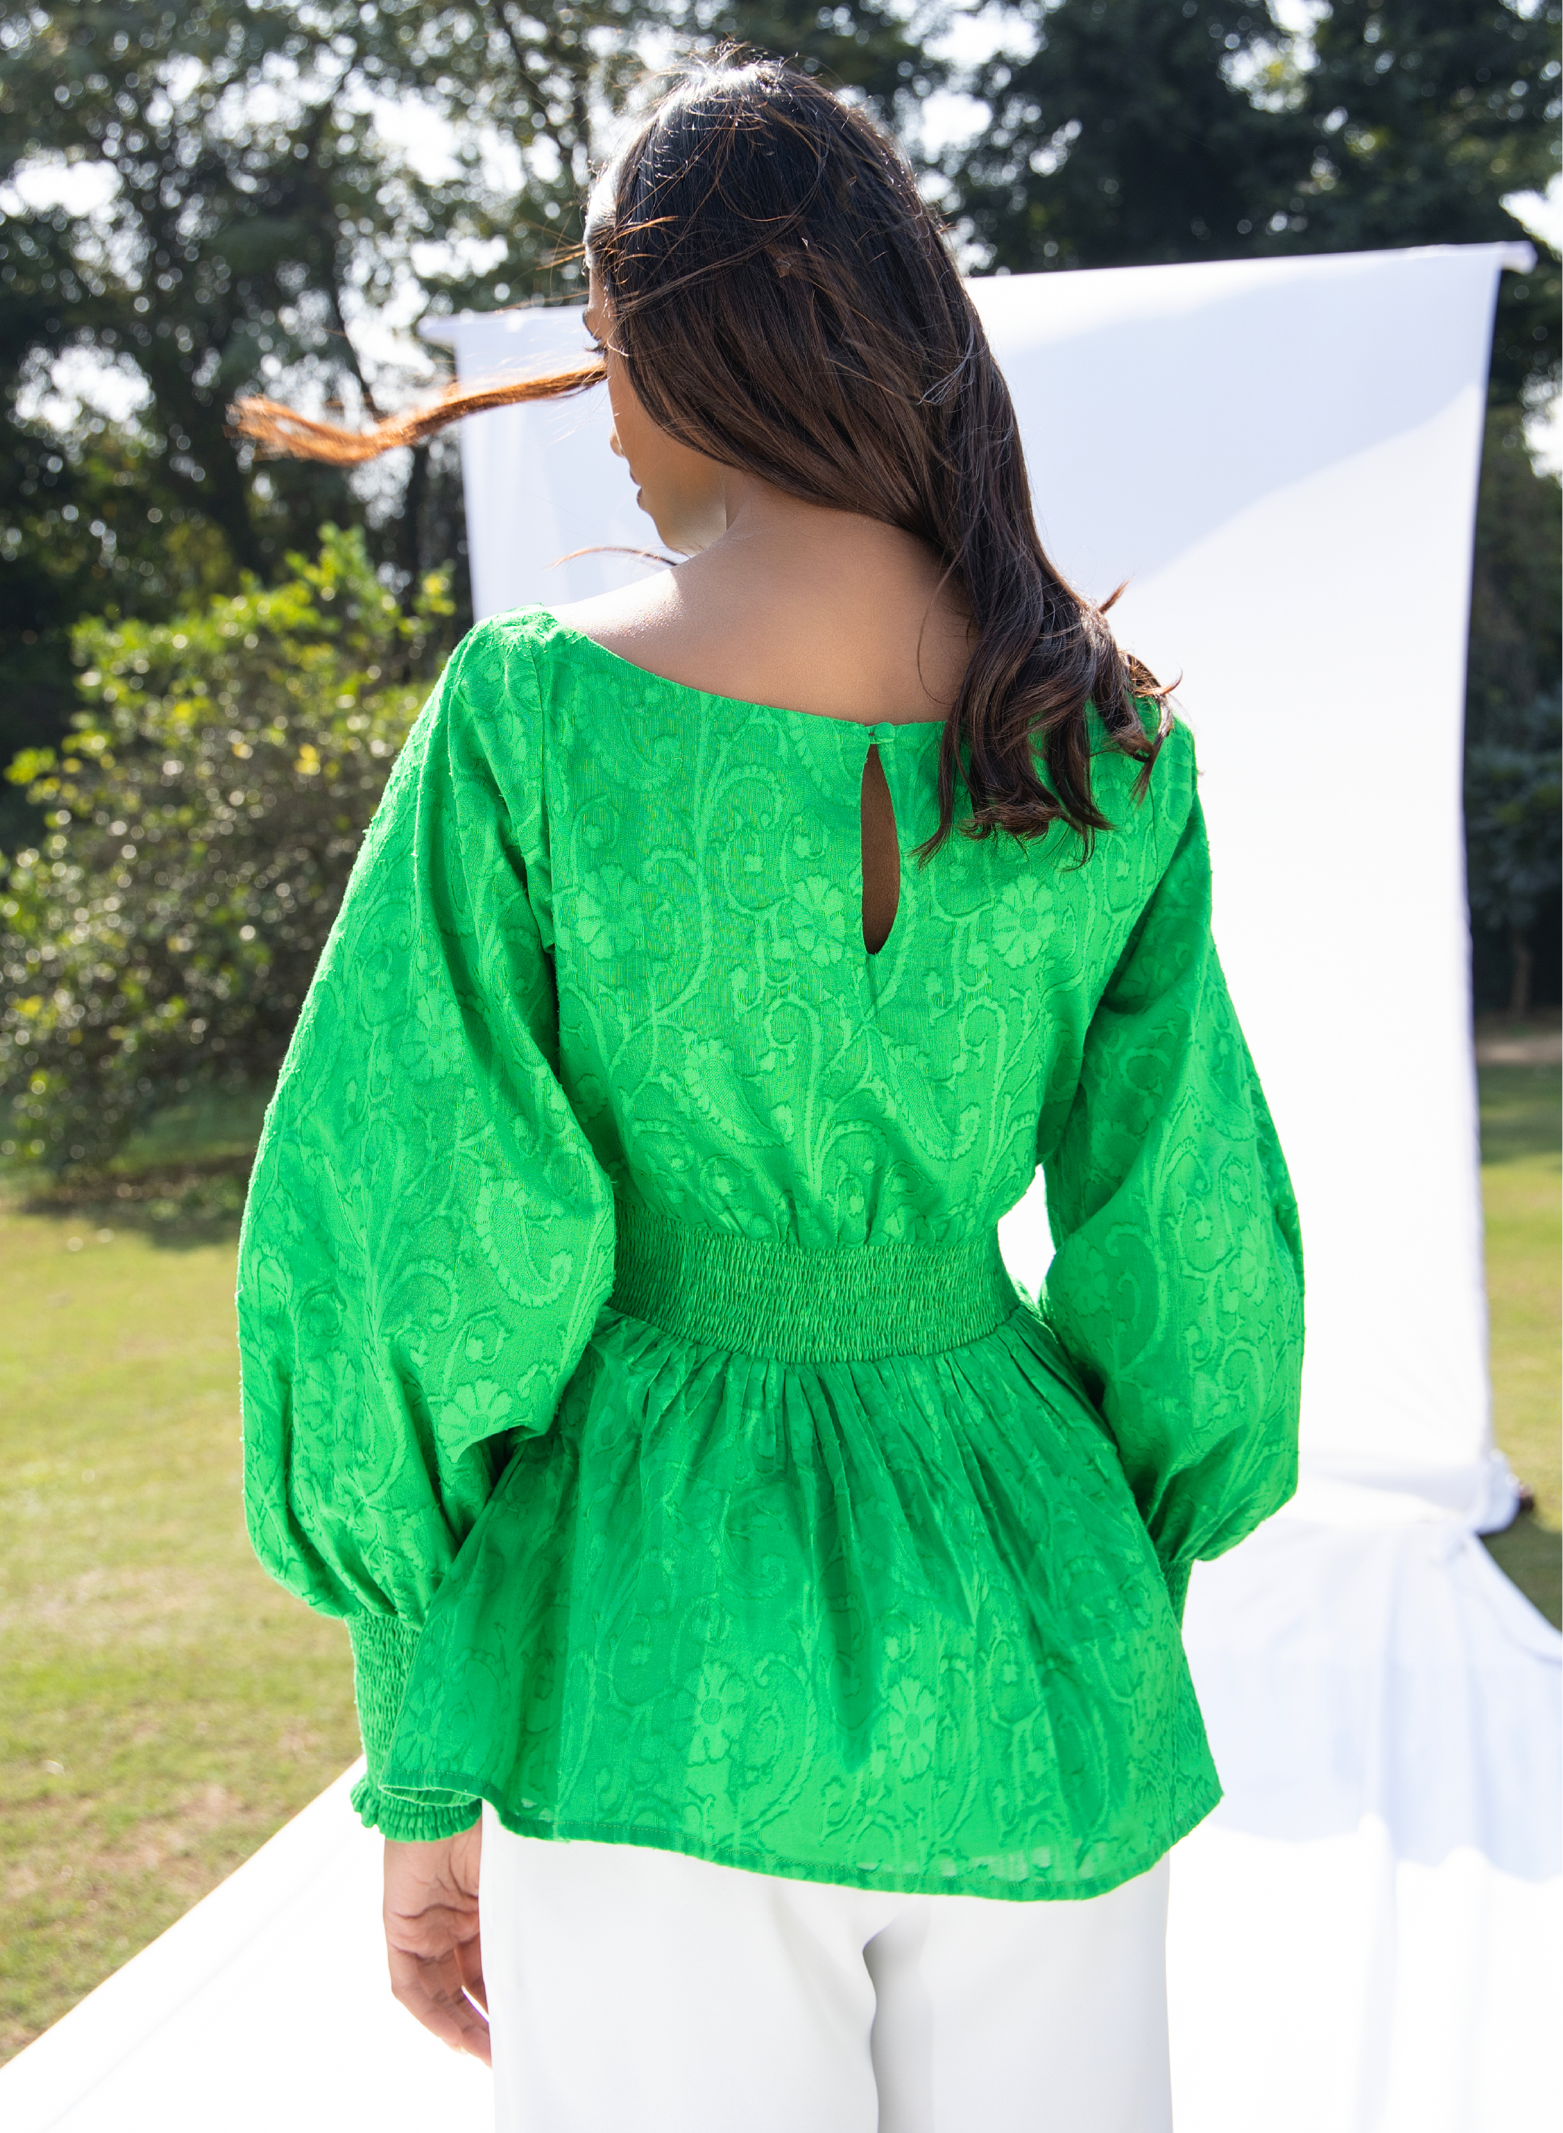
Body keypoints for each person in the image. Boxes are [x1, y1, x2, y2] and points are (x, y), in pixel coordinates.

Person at [234, 54, 1303, 2133]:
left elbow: (407, 1258)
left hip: (645, 1641)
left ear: (670, 339)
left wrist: (421, 1756)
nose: (602, 412)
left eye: (602, 340)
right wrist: (1100, 1591)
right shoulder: (1106, 746)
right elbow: (1196, 1258)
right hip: (1032, 1623)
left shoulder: (534, 720)